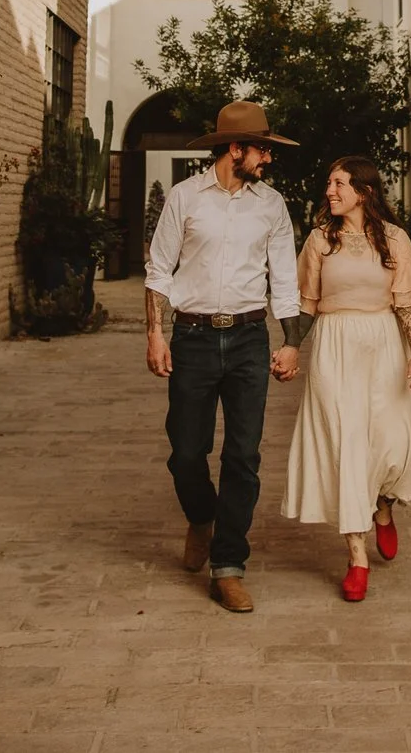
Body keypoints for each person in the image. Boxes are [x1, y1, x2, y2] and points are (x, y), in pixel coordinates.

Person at [144, 100, 307, 613]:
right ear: (234, 149)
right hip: (192, 338)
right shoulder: (185, 198)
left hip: (248, 341)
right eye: (262, 149)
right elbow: (158, 270)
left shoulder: (272, 206)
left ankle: (228, 565)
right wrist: (155, 333)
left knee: (243, 455)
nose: (268, 159)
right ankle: (201, 516)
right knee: (186, 451)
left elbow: (284, 279)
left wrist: (292, 341)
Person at [283, 155, 411, 602]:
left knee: (388, 440)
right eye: (329, 182)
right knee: (344, 444)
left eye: (340, 183)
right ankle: (356, 556)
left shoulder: (395, 240)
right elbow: (306, 302)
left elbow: (406, 302)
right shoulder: (318, 242)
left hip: (383, 344)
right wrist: (291, 347)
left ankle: (383, 503)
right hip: (334, 345)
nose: (331, 190)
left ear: (364, 192)